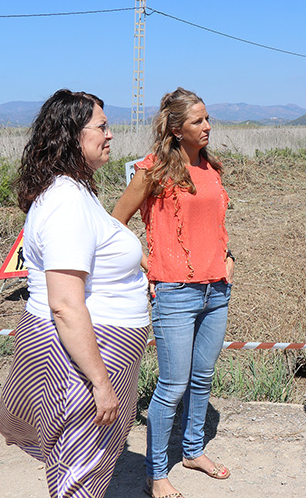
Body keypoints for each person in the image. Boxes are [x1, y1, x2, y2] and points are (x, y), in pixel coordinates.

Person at [0, 89, 150, 498]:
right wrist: (100, 382)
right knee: (78, 476)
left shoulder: (72, 191)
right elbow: (65, 304)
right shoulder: (66, 200)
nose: (110, 135)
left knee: (80, 464)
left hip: (95, 345)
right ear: (71, 135)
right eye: (102, 127)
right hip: (86, 354)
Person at [113, 88, 233, 498]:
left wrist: (229, 258)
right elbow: (115, 224)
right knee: (173, 386)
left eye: (207, 118)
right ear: (177, 128)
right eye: (198, 121)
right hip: (175, 294)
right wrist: (148, 262)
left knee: (202, 379)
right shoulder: (151, 171)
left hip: (216, 290)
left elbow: (215, 224)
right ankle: (156, 471)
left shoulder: (211, 167)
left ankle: (194, 451)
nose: (207, 126)